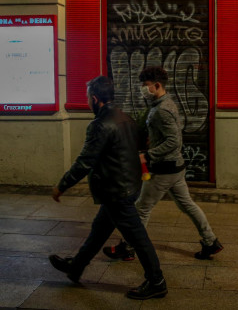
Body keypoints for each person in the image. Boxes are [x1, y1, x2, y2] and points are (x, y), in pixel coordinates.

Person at [48, 76, 167, 300]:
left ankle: (157, 280)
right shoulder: (126, 118)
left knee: (138, 238)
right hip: (126, 186)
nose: (87, 103)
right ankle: (76, 267)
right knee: (99, 231)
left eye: (87, 99)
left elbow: (85, 161)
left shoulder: (100, 124)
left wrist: (62, 186)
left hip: (116, 192)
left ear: (95, 99)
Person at [103, 66, 223, 262]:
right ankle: (210, 241)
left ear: (157, 85)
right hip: (174, 167)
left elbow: (174, 141)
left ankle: (128, 246)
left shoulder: (162, 110)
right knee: (187, 205)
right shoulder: (164, 104)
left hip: (164, 168)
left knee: (141, 208)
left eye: (145, 85)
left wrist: (149, 155)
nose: (143, 88)